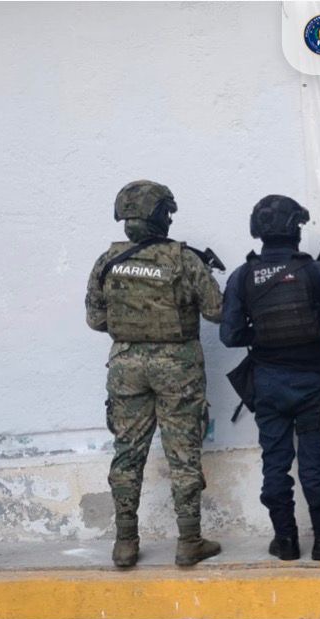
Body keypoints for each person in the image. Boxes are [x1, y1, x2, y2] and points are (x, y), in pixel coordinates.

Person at [85, 180, 223, 568]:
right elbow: (217, 311)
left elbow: (96, 319)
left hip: (126, 366)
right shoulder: (184, 259)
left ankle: (125, 543)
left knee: (127, 454)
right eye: (168, 213)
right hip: (177, 367)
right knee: (183, 454)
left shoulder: (107, 260)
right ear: (160, 216)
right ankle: (189, 541)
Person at [220, 195, 320, 561]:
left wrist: (262, 334)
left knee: (275, 462)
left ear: (258, 231)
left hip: (267, 383)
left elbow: (229, 336)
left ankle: (285, 541)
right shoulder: (315, 271)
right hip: (311, 382)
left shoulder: (242, 276)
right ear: (296, 229)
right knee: (314, 464)